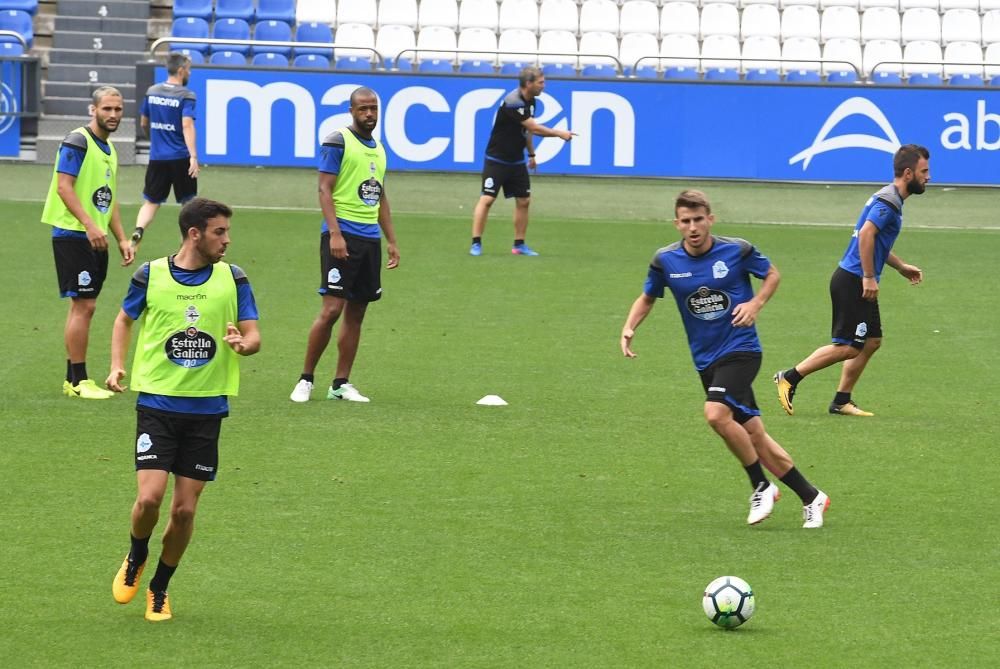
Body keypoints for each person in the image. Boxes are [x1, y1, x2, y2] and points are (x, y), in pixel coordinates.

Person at [620, 190, 829, 529]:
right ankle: (811, 496)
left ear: (710, 219)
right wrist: (629, 327)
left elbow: (772, 274)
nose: (692, 228)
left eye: (698, 220)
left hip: (742, 350)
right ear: (676, 224)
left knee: (716, 414)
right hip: (706, 361)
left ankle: (761, 486)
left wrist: (756, 303)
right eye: (685, 221)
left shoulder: (737, 250)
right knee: (755, 435)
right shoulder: (665, 261)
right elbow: (647, 297)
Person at [106, 198, 260, 622]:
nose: (227, 240)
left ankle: (159, 587)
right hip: (156, 404)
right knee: (150, 499)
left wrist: (244, 345)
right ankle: (137, 553)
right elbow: (123, 320)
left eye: (227, 232)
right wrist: (118, 364)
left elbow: (253, 335)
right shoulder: (150, 274)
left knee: (185, 510)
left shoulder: (234, 278)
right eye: (219, 232)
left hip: (207, 410)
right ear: (195, 234)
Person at [774, 144, 929, 417]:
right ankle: (789, 377)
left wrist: (900, 267)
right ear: (908, 173)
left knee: (872, 341)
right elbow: (867, 234)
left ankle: (841, 400)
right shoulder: (889, 202)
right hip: (853, 281)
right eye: (924, 171)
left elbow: (875, 241)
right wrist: (869, 277)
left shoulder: (889, 198)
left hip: (856, 279)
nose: (928, 177)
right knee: (848, 347)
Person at [289, 86, 399, 404]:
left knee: (357, 311)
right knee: (332, 309)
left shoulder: (378, 148)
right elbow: (324, 189)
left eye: (373, 109)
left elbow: (380, 196)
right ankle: (305, 379)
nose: (369, 114)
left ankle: (340, 384)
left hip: (369, 239)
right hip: (342, 236)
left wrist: (391, 239)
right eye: (363, 109)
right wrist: (335, 233)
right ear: (351, 110)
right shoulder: (337, 140)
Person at [42, 86, 134, 399]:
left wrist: (121, 237)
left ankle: (73, 379)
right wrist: (91, 225)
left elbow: (110, 200)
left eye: (118, 110)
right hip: (73, 233)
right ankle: (80, 381)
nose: (113, 115)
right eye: (107, 109)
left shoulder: (110, 150)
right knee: (85, 305)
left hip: (96, 236)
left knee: (83, 305)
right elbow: (63, 188)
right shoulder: (77, 141)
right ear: (92, 109)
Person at [468, 66, 575, 257]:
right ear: (528, 83)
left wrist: (531, 155)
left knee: (524, 200)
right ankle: (476, 243)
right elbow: (533, 127)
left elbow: (525, 131)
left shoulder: (531, 101)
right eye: (540, 82)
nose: (544, 85)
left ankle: (519, 245)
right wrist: (560, 133)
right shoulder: (513, 102)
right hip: (497, 158)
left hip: (516, 160)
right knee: (487, 199)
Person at [130, 52, 199, 252]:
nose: (190, 72)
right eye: (188, 69)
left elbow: (144, 122)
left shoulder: (152, 91)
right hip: (180, 157)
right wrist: (193, 156)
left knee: (151, 202)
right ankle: (185, 245)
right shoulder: (186, 95)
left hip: (157, 157)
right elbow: (187, 125)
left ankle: (138, 230)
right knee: (188, 203)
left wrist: (152, 138)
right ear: (181, 70)